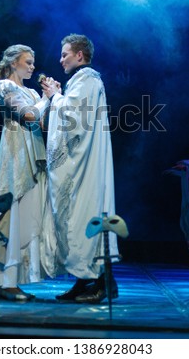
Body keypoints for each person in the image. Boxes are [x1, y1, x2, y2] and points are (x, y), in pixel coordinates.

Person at [41, 33, 119, 303]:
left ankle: (100, 281)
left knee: (83, 216)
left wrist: (54, 97)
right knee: (76, 218)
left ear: (79, 55)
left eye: (64, 54)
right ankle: (85, 280)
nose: (60, 59)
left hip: (84, 164)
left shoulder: (87, 79)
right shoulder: (81, 81)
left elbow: (75, 119)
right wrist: (60, 96)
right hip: (82, 161)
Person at [0, 44, 54, 301]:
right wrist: (46, 100)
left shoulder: (30, 90)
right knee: (11, 210)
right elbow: (29, 116)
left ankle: (9, 279)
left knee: (26, 212)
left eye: (33, 62)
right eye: (28, 62)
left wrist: (53, 100)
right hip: (15, 152)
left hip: (33, 151)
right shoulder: (5, 87)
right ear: (13, 63)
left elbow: (40, 121)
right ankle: (3, 281)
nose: (32, 66)